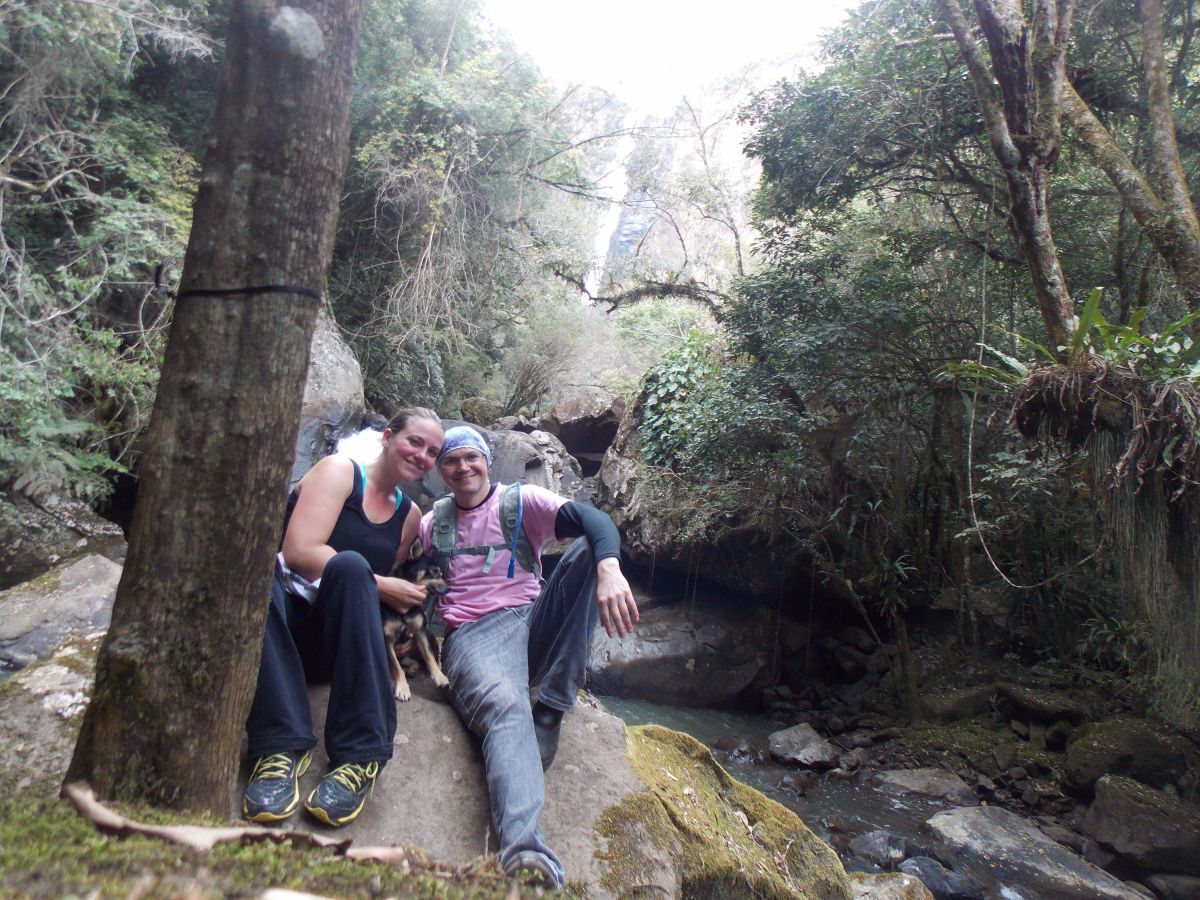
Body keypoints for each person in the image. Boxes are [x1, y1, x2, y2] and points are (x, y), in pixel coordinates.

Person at [419, 425, 639, 887]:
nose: (463, 467)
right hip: (474, 633)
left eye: (471, 457)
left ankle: (552, 708)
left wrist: (609, 567)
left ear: (486, 460)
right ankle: (524, 849)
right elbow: (415, 585)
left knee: (587, 550)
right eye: (451, 460)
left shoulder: (520, 502)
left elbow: (595, 521)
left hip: (532, 614)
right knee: (505, 705)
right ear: (440, 470)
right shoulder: (431, 524)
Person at [242, 408, 445, 827]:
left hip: (333, 642)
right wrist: (382, 586)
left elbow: (369, 589)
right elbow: (299, 551)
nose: (422, 456)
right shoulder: (340, 472)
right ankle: (280, 748)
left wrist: (399, 629)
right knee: (265, 567)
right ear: (387, 436)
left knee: (353, 569)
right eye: (414, 442)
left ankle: (361, 756)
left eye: (432, 452)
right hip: (279, 628)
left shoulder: (409, 517)